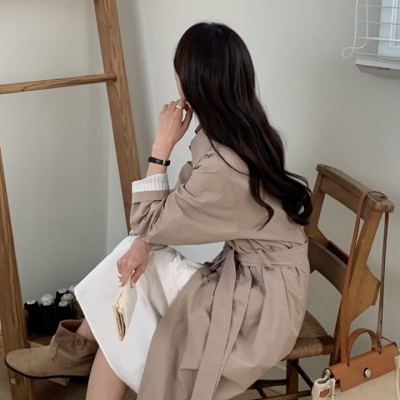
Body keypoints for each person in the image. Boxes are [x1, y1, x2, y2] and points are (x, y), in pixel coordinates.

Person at [5, 22, 312, 400]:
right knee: (133, 266)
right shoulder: (247, 133)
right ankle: (73, 351)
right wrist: (144, 243)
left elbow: (151, 218)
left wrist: (161, 147)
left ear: (190, 83)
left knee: (125, 310)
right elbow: (173, 211)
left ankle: (72, 353)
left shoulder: (224, 168)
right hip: (260, 282)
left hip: (260, 308)